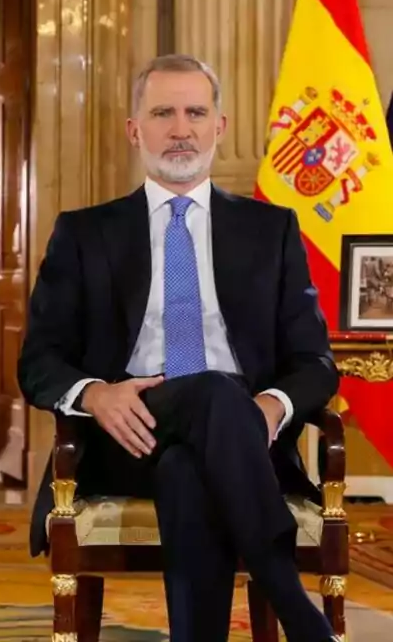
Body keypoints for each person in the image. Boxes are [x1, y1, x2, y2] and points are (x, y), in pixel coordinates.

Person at [18, 54, 341, 642]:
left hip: (244, 443)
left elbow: (316, 361)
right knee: (211, 397)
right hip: (127, 439)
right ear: (134, 129)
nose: (180, 128)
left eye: (196, 112)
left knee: (191, 464)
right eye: (162, 112)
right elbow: (38, 359)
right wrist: (94, 395)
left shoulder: (271, 231)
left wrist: (268, 408)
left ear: (220, 126)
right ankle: (293, 604)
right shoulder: (85, 233)